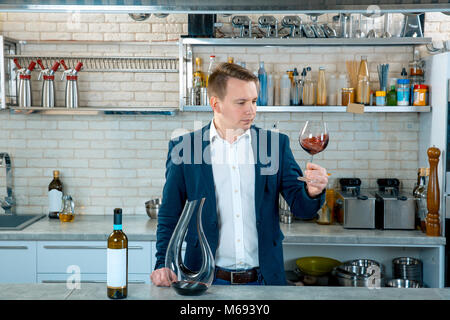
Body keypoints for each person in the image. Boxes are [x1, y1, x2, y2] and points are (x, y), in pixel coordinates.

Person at [150, 63, 328, 286]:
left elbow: (303, 209)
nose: (251, 110)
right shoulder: (185, 148)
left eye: (254, 101)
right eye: (241, 102)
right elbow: (169, 214)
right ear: (216, 104)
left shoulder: (274, 145)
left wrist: (313, 192)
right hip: (205, 281)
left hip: (265, 281)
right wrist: (162, 263)